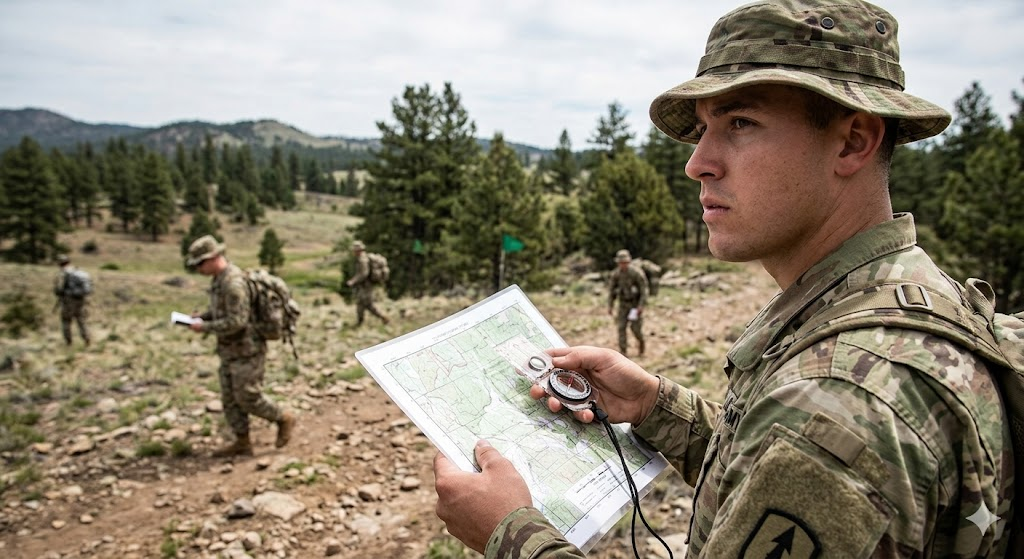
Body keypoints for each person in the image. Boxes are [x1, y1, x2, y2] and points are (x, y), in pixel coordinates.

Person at [433, 1, 1015, 557]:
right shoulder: (906, 298)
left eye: (741, 122)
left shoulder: (840, 400)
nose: (698, 163)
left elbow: (817, 452)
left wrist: (511, 534)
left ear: (853, 141)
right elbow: (770, 467)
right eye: (704, 128)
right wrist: (656, 406)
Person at [185, 235, 296, 457]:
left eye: (200, 263)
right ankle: (242, 442)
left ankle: (283, 417)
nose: (198, 269)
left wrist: (204, 327)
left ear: (213, 258)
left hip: (248, 349)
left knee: (248, 396)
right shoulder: (219, 280)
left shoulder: (233, 284)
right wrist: (203, 317)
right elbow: (222, 311)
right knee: (230, 399)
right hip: (229, 349)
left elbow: (237, 322)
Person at [607, 249, 648, 356]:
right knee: (621, 327)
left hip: (634, 306)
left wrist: (641, 306)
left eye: (625, 262)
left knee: (635, 328)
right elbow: (611, 291)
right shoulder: (616, 274)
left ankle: (641, 344)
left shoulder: (636, 273)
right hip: (623, 305)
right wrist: (610, 306)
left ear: (629, 262)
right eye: (621, 263)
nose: (623, 265)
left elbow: (644, 290)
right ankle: (623, 351)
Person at [346, 240, 389, 326]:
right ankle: (360, 322)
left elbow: (363, 274)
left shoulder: (362, 260)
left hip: (367, 285)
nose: (353, 252)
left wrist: (353, 281)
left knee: (368, 304)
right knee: (360, 303)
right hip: (364, 285)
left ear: (358, 250)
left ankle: (383, 317)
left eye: (354, 250)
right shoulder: (362, 258)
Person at [53, 254, 90, 347]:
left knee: (66, 321)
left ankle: (68, 342)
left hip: (68, 300)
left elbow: (58, 289)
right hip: (80, 299)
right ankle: (86, 338)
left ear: (59, 263)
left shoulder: (63, 273)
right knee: (81, 320)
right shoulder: (77, 271)